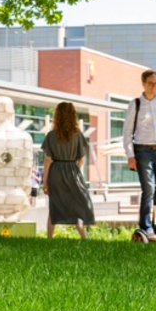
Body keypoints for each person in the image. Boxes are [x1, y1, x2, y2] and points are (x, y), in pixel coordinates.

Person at [123, 69, 156, 241]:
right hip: (142, 150)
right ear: (143, 84)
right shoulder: (135, 104)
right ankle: (146, 226)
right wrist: (130, 155)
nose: (154, 87)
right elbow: (127, 132)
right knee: (149, 188)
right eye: (150, 83)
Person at [42, 102, 95, 239]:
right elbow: (81, 159)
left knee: (54, 205)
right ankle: (84, 237)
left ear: (57, 116)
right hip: (72, 171)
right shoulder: (78, 135)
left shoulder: (51, 135)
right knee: (76, 206)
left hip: (56, 172)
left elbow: (48, 160)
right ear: (73, 116)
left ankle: (49, 238)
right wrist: (76, 173)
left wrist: (45, 181)